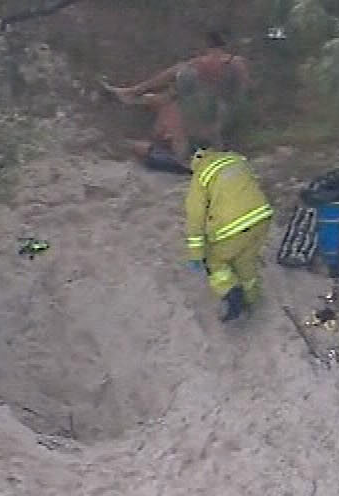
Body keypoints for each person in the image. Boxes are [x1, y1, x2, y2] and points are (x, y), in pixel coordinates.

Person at [104, 30, 252, 150]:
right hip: (203, 106)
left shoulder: (228, 63)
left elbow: (240, 92)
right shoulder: (217, 64)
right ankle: (131, 96)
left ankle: (132, 94)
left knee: (167, 94)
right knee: (163, 97)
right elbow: (241, 92)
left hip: (210, 108)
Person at [184, 147, 274, 322]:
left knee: (214, 261)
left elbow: (195, 216)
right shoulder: (236, 159)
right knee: (246, 261)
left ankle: (232, 295)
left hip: (232, 227)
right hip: (261, 217)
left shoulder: (201, 175)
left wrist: (196, 254)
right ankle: (251, 298)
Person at [125, 89, 194, 174]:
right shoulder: (169, 110)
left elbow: (179, 143)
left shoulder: (170, 111)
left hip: (181, 157)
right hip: (180, 155)